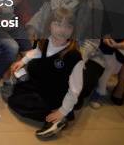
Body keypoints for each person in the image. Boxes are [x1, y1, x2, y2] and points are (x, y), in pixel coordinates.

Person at [8, 8, 82, 139]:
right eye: (58, 24)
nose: (62, 30)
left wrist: (62, 111)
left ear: (73, 30)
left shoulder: (74, 56)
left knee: (21, 104)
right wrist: (23, 61)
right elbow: (36, 51)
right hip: (42, 86)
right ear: (50, 25)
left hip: (56, 96)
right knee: (15, 98)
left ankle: (59, 119)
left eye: (68, 26)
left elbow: (75, 89)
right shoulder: (45, 40)